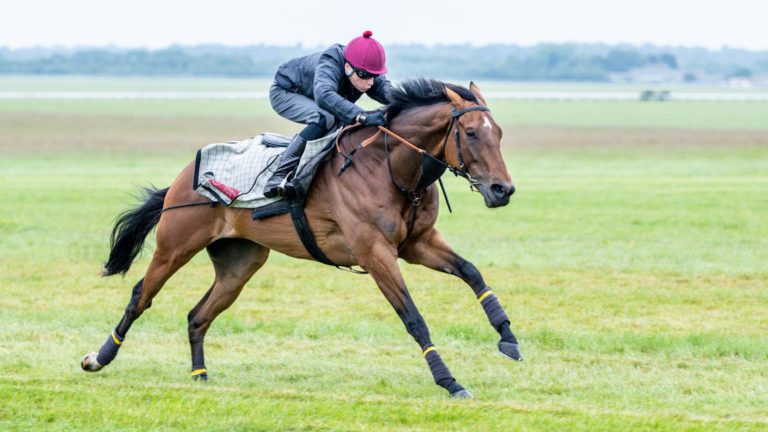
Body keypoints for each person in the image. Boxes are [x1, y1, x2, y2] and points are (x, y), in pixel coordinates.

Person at [263, 30, 392, 197]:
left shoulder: (365, 70)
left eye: (375, 76)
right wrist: (362, 115)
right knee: (324, 117)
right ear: (347, 67)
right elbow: (323, 94)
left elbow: (389, 93)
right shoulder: (330, 61)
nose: (370, 82)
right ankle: (278, 176)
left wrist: (411, 103)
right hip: (286, 91)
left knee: (340, 123)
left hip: (314, 94)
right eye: (364, 75)